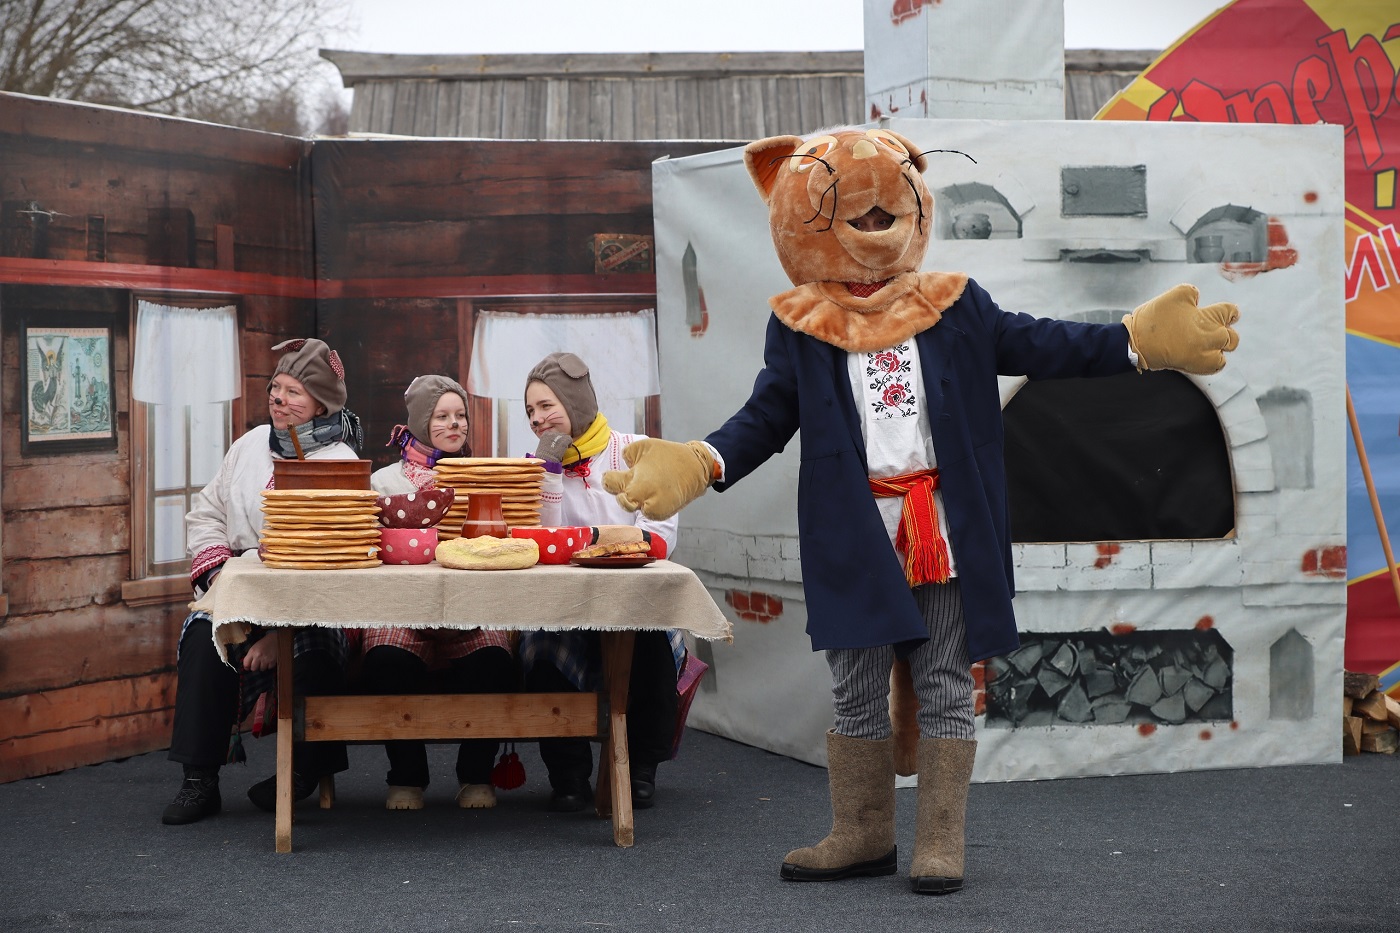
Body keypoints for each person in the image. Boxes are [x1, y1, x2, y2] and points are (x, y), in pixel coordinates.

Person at [601, 127, 1240, 893]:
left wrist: (1134, 343)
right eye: (854, 216)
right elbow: (766, 417)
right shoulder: (803, 324)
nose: (874, 226)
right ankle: (862, 831)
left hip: (941, 526)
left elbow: (1044, 345)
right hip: (854, 531)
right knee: (856, 680)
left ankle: (939, 840)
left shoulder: (957, 307)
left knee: (941, 673)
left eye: (884, 212)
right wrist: (702, 460)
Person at [162, 338, 365, 825]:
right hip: (239, 591)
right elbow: (208, 512)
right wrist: (216, 572)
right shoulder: (250, 444)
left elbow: (332, 557)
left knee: (318, 651)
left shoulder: (339, 463)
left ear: (322, 403)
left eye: (295, 392)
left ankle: (303, 771)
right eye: (276, 388)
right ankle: (199, 779)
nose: (279, 399)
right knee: (201, 640)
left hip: (312, 603)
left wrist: (280, 631)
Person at [520, 352, 681, 812]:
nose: (537, 419)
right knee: (541, 647)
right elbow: (541, 542)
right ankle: (567, 774)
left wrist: (598, 544)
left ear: (574, 399)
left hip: (631, 598)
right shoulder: (537, 468)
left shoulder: (637, 449)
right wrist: (548, 475)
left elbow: (661, 532)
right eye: (530, 411)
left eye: (546, 405)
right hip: (567, 606)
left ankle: (642, 767)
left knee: (649, 638)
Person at [358, 375, 518, 810]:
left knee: (495, 659)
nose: (455, 425)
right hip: (401, 611)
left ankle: (475, 774)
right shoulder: (383, 482)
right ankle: (407, 774)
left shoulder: (482, 476)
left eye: (460, 415)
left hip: (470, 613)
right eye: (442, 416)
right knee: (386, 660)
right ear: (419, 422)